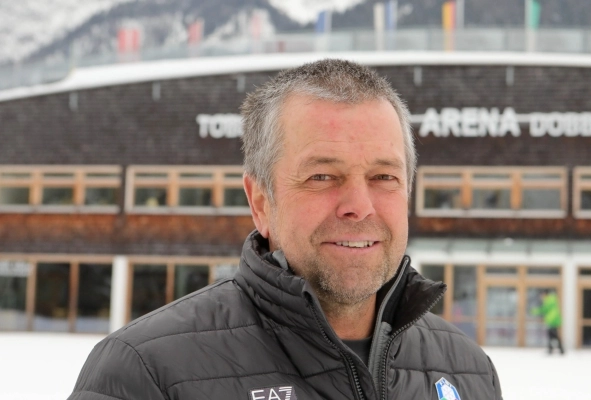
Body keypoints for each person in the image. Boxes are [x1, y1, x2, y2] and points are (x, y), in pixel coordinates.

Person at [68, 59, 503, 400]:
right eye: (322, 177)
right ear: (260, 201)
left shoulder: (468, 370)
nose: (359, 206)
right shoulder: (147, 373)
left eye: (383, 177)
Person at [533, 289, 564, 355]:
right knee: (553, 336)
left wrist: (535, 311)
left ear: (545, 294)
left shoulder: (549, 300)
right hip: (552, 321)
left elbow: (544, 309)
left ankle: (558, 349)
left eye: (542, 295)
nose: (541, 297)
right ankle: (555, 349)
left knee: (553, 335)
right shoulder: (550, 300)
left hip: (553, 321)